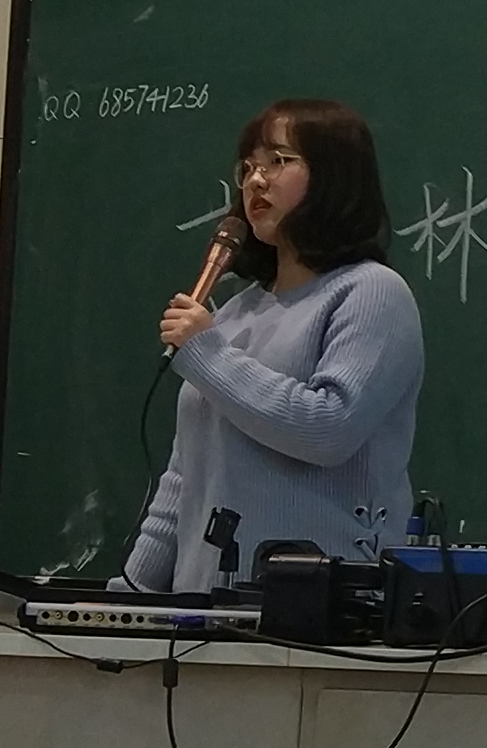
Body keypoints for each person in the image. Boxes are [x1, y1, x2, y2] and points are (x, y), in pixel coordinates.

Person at [120, 99, 424, 595]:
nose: (256, 181)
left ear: (333, 176)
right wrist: (128, 597)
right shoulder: (233, 315)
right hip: (202, 611)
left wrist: (209, 355)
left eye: (278, 161)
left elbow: (329, 430)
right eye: (248, 167)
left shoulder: (371, 292)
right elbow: (184, 481)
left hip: (322, 609)